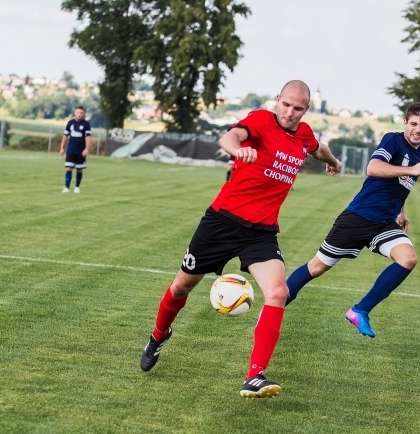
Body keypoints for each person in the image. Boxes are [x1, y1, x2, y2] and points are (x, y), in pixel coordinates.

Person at [139, 80, 342, 399]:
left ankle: (254, 376)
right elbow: (229, 137)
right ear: (278, 99)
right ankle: (158, 335)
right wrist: (238, 149)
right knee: (180, 287)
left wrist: (333, 161)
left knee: (278, 292)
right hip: (222, 222)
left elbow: (318, 149)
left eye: (298, 108)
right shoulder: (261, 120)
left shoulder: (304, 134)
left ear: (306, 110)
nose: (289, 112)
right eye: (286, 104)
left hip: (260, 233)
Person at [285, 102, 420, 338]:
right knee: (317, 267)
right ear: (405, 122)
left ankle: (360, 310)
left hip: (384, 221)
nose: (418, 130)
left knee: (408, 259)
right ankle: (274, 306)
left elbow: (401, 186)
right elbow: (373, 168)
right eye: (413, 124)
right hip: (359, 217)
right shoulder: (392, 140)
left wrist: (400, 212)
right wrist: (411, 170)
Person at [59, 105, 91, 194]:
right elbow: (65, 136)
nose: (79, 114)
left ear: (84, 114)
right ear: (74, 113)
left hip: (80, 151)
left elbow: (88, 138)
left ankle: (77, 187)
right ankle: (67, 188)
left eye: (81, 113)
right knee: (68, 168)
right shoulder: (70, 123)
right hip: (70, 150)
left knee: (79, 169)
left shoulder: (86, 124)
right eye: (77, 112)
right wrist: (62, 148)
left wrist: (87, 149)